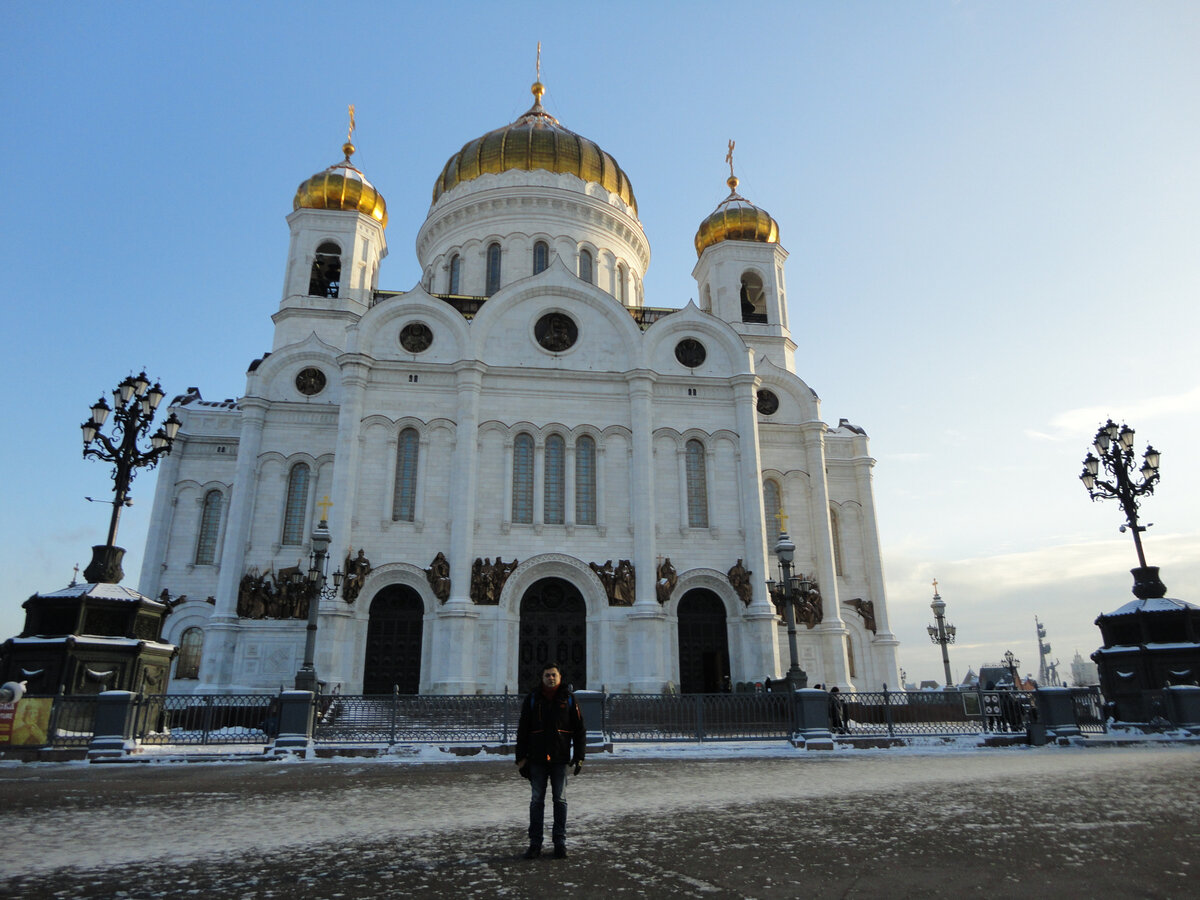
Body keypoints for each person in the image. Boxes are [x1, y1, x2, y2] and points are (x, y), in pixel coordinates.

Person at [515, 662, 586, 859]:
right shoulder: (533, 699)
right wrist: (520, 758)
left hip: (559, 758)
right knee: (536, 801)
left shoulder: (569, 699)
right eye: (547, 675)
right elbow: (522, 730)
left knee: (560, 800)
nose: (551, 678)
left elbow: (579, 729)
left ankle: (560, 842)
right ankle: (535, 843)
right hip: (537, 758)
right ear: (542, 677)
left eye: (554, 675)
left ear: (560, 677)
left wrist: (579, 756)